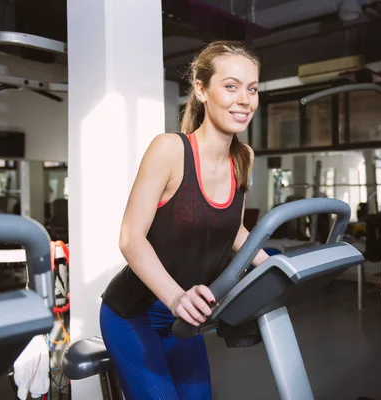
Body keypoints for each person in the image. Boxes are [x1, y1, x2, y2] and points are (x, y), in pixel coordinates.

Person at [99, 40, 270, 400]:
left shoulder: (244, 158)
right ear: (201, 90)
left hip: (186, 317)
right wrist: (176, 298)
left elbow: (233, 229)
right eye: (231, 86)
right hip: (134, 315)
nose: (245, 99)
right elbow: (131, 237)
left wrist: (275, 268)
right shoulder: (170, 149)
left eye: (252, 89)